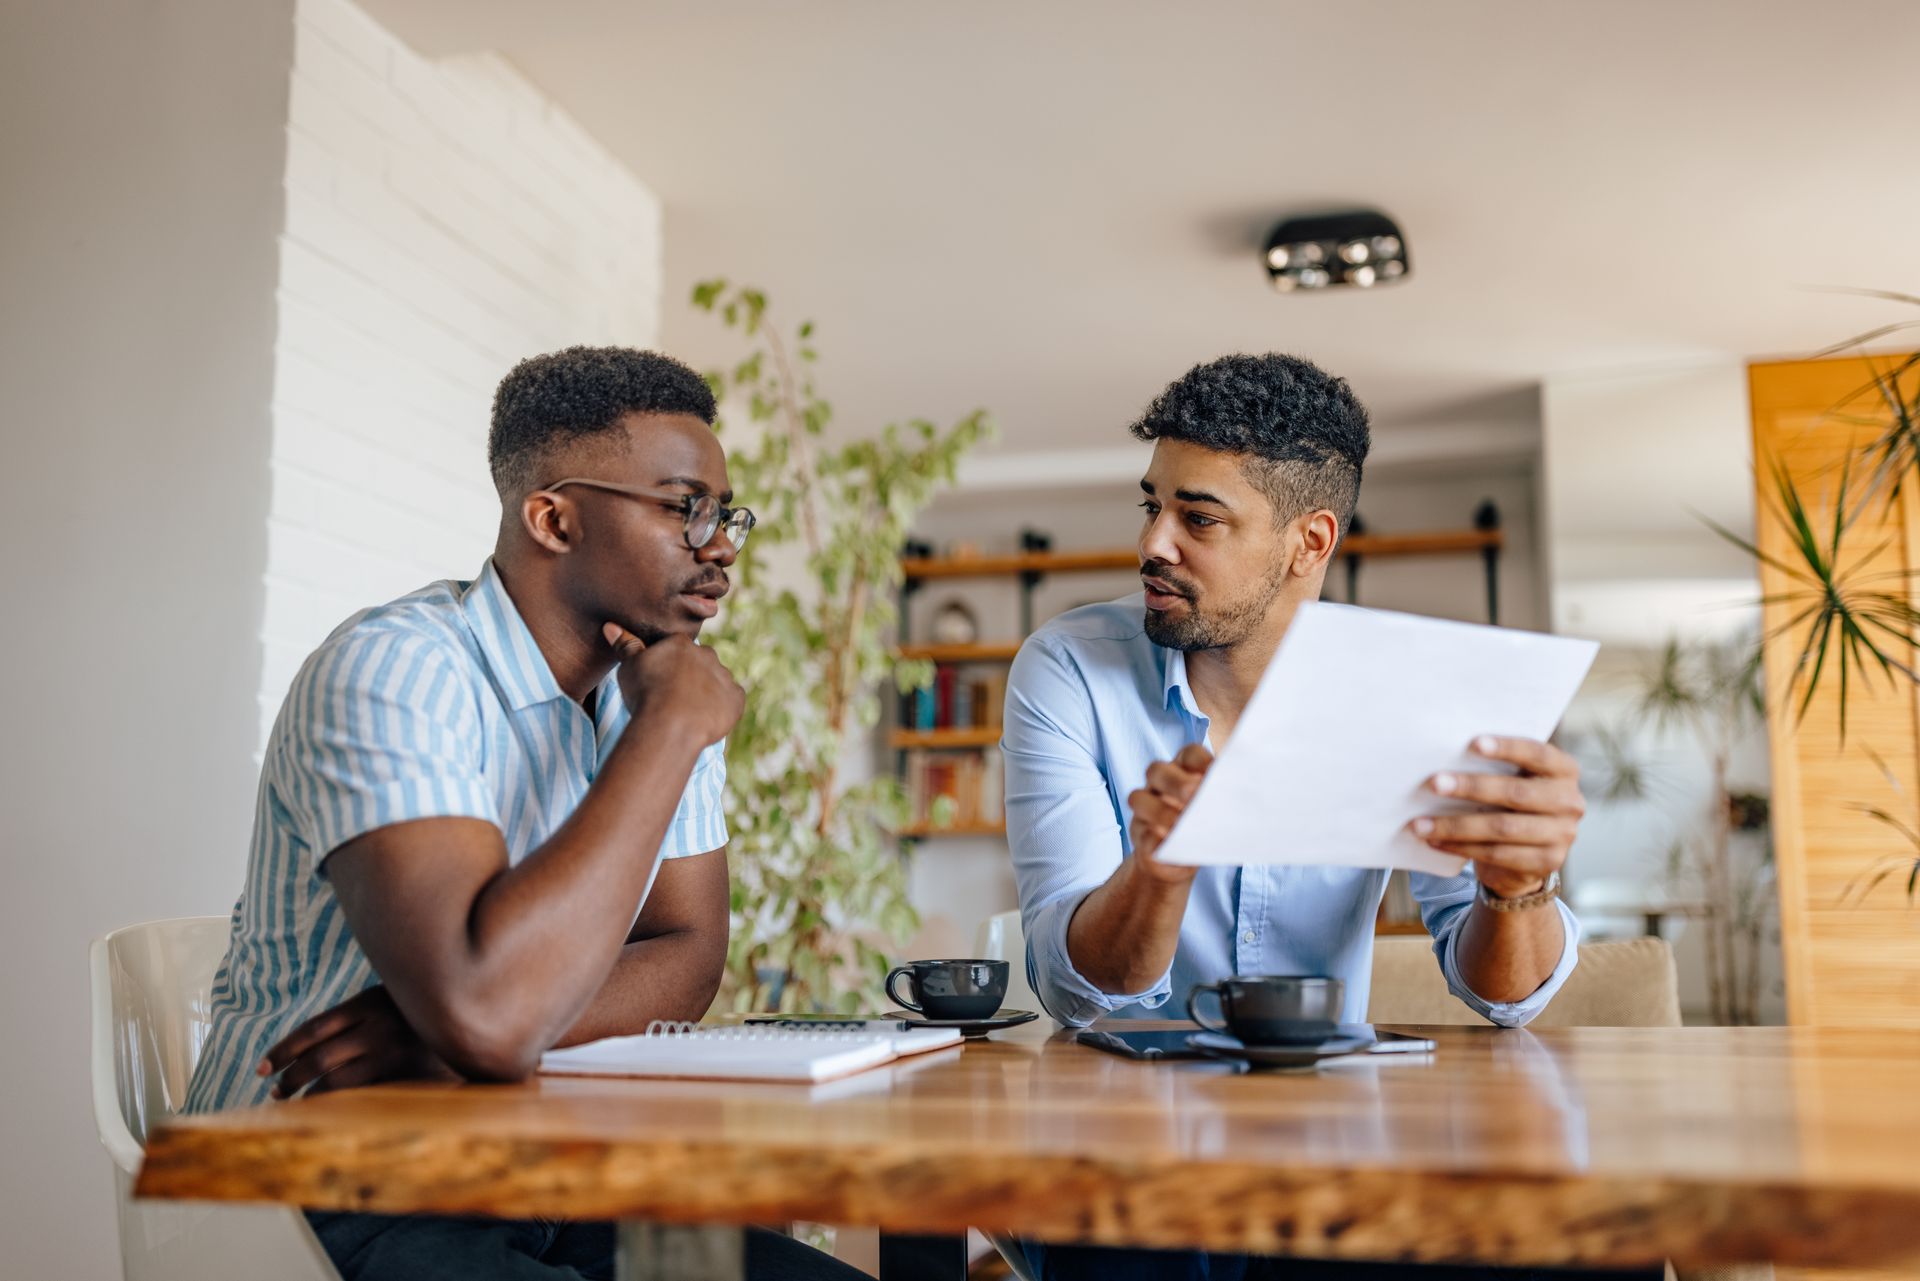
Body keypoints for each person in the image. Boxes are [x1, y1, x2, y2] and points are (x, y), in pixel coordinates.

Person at [184, 346, 863, 1281]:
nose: (722, 546)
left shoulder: (657, 686)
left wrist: (440, 1037)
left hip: (548, 1182)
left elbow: (688, 954)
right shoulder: (398, 671)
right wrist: (668, 731)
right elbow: (495, 1016)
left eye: (724, 512)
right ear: (553, 517)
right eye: (684, 508)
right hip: (323, 1195)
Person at [1004, 353, 1627, 1281]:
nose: (1153, 544)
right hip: (1126, 1149)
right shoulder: (1066, 670)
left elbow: (1505, 995)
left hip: (1337, 1143)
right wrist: (1161, 870)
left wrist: (1518, 889)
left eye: (1198, 518)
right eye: (1153, 505)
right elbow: (1079, 989)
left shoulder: (1418, 695)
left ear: (1309, 540)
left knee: (1597, 1252)